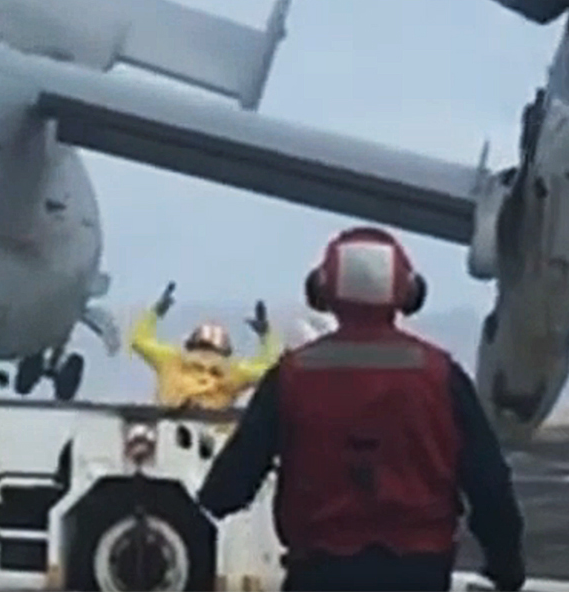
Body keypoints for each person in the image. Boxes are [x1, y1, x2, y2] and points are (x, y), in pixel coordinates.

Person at [195, 227, 526, 592]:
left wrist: (204, 509)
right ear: (409, 292)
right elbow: (489, 482)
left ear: (321, 291)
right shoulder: (441, 375)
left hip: (320, 572)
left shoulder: (291, 376)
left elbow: (233, 481)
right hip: (418, 574)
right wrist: (505, 567)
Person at [131, 282, 282, 411]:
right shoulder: (234, 371)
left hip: (169, 424)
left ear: (191, 345)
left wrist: (155, 312)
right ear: (225, 351)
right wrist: (266, 336)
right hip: (214, 434)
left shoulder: (171, 359)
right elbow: (269, 370)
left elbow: (139, 340)